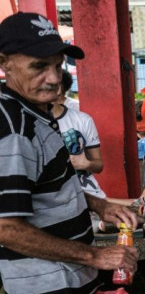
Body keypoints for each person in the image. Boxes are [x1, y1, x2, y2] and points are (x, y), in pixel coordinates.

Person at [0, 12, 138, 294]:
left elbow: (50, 185)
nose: (54, 77)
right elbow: (5, 227)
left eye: (58, 64)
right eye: (38, 66)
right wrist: (95, 255)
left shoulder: (29, 113)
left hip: (63, 287)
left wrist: (97, 207)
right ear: (5, 65)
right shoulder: (11, 129)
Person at [52, 70, 105, 199]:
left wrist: (85, 164)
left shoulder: (82, 119)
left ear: (60, 87)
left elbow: (98, 165)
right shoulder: (25, 122)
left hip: (86, 194)